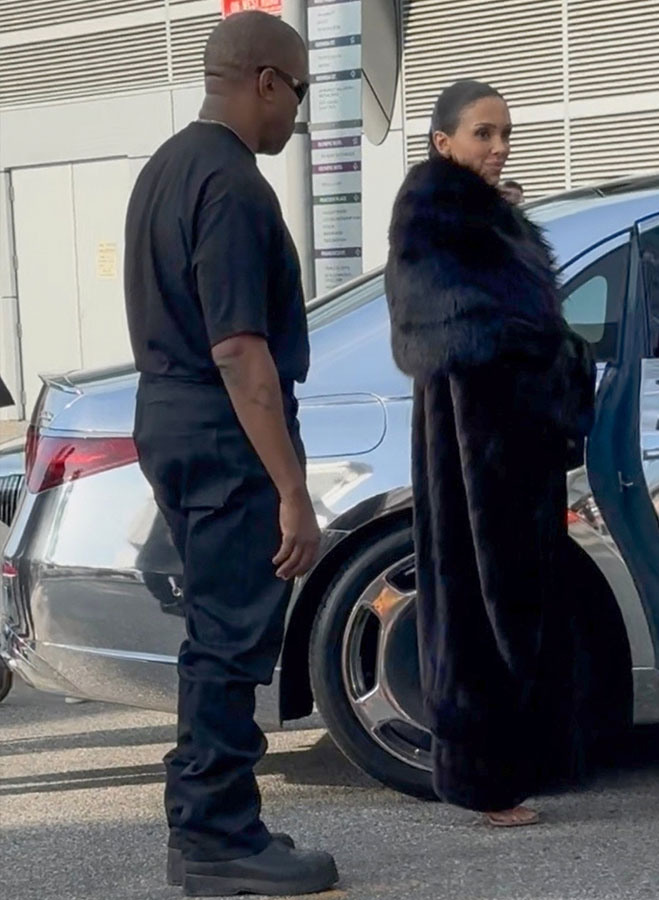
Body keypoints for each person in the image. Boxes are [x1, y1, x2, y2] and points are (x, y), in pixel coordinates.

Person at [124, 11, 338, 897]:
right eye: (302, 91)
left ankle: (209, 827)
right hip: (220, 432)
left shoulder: (164, 169)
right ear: (264, 81)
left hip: (169, 420)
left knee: (213, 633)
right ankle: (218, 839)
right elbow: (241, 349)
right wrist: (294, 490)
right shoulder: (237, 187)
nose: (300, 112)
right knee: (232, 639)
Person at [385, 80, 628, 826]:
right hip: (472, 442)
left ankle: (516, 765)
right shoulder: (437, 221)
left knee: (516, 601)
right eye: (483, 134)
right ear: (442, 143)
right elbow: (468, 339)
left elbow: (526, 331)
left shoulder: (491, 221)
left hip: (509, 443)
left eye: (505, 134)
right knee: (477, 602)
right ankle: (485, 780)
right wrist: (555, 365)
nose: (497, 148)